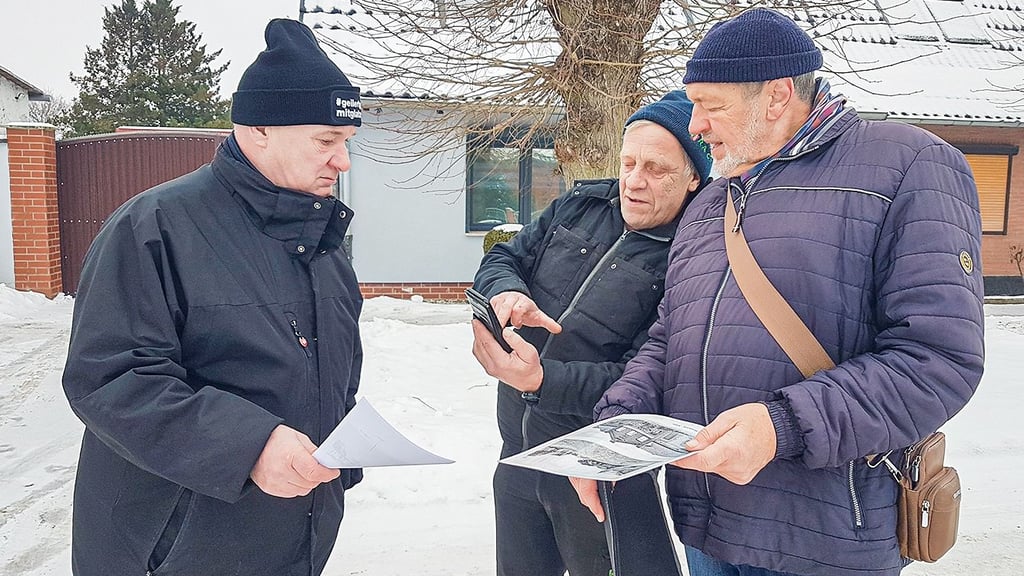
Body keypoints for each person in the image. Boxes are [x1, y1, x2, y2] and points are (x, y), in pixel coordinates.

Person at [570, 8, 985, 576]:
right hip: (706, 528)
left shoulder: (910, 165)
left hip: (827, 538)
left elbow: (939, 360)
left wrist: (781, 425)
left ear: (778, 96)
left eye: (711, 106)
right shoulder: (710, 205)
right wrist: (613, 427)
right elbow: (670, 340)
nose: (694, 126)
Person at [61, 19, 366, 576]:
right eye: (326, 141)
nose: (342, 162)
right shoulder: (154, 227)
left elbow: (334, 374)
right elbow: (111, 379)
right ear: (257, 131)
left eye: (345, 143)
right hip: (174, 546)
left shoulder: (323, 242)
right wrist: (250, 446)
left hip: (294, 535)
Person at [471, 91, 714, 576]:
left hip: (600, 473)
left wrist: (544, 381)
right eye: (628, 162)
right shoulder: (580, 203)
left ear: (693, 178)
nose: (634, 181)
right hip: (518, 451)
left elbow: (648, 377)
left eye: (656, 169)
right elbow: (503, 258)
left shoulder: (693, 256)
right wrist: (506, 293)